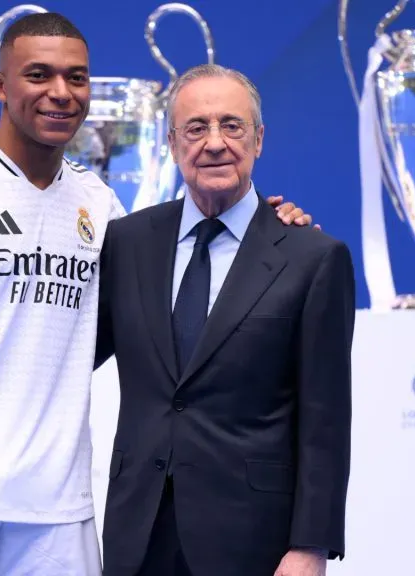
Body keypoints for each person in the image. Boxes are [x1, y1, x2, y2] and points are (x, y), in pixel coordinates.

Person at [0, 13, 317, 576]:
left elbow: (152, 315)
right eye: (39, 75)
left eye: (77, 78)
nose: (60, 93)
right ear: (0, 86)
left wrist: (267, 227)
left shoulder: (101, 207)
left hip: (59, 511)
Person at [95, 63, 355, 576]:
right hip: (138, 533)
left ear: (259, 139)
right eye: (196, 128)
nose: (214, 143)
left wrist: (312, 546)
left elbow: (325, 419)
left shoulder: (312, 257)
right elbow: (69, 353)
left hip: (254, 540)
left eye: (231, 126)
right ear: (171, 142)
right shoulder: (126, 242)